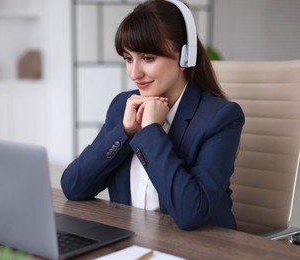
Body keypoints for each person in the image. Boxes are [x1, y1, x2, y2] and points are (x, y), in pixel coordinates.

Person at [61, 0, 244, 231]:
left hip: (199, 248)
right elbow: (73, 186)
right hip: (132, 243)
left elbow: (191, 213)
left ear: (185, 57)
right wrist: (124, 131)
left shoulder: (220, 118)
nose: (134, 73)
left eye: (148, 58)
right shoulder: (123, 106)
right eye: (128, 58)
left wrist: (150, 133)